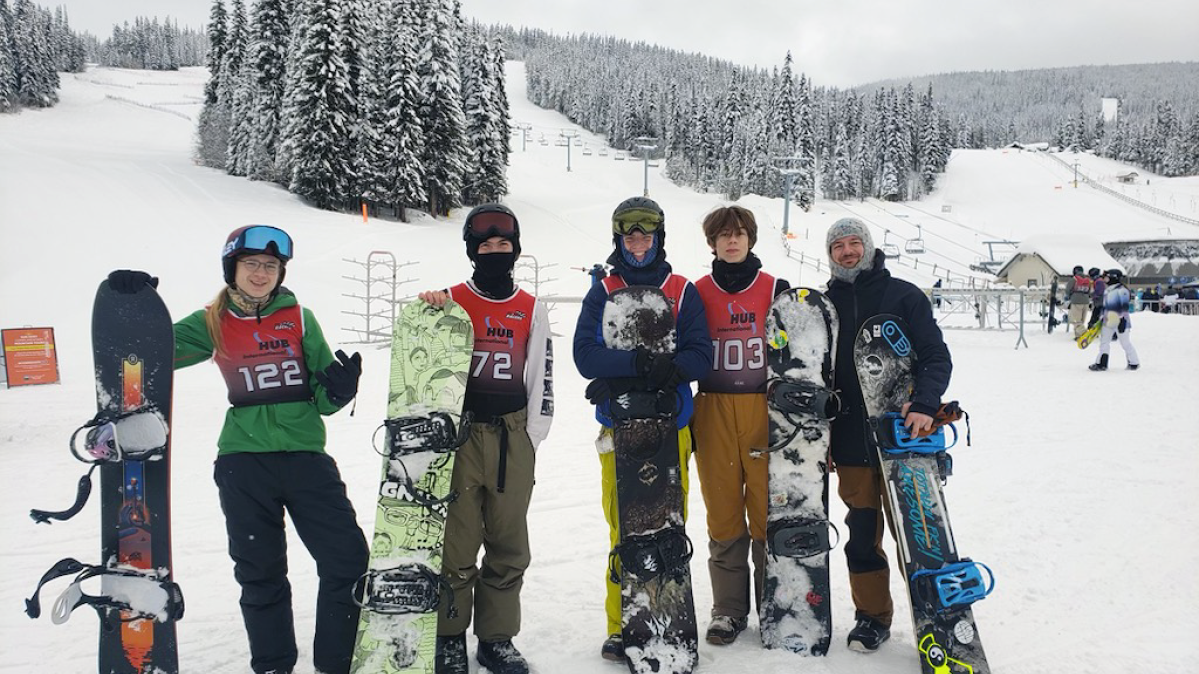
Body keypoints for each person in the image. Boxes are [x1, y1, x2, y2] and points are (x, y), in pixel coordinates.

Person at [108, 225, 369, 674]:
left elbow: (324, 401)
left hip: (306, 458)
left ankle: (336, 663)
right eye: (252, 264)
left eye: (270, 265)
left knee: (347, 560)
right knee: (260, 571)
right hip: (243, 463)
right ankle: (272, 665)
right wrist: (135, 308)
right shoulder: (212, 321)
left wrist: (342, 389)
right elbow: (145, 353)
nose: (261, 273)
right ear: (233, 268)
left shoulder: (301, 319)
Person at [572, 196, 712, 662]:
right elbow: (584, 355)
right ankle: (622, 624)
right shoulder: (605, 289)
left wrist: (667, 372)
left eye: (645, 234)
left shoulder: (681, 289)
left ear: (659, 237)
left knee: (669, 520)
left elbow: (699, 352)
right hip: (619, 426)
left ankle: (669, 615)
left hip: (670, 425)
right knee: (624, 526)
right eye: (629, 235)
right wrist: (633, 364)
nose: (637, 243)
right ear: (619, 238)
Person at [418, 204, 554, 674]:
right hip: (461, 435)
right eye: (485, 245)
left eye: (504, 245)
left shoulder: (531, 309)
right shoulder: (451, 299)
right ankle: (450, 634)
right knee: (456, 544)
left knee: (509, 543)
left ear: (515, 249)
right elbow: (423, 360)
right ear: (472, 251)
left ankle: (496, 638)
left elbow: (541, 378)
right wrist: (430, 310)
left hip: (511, 435)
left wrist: (532, 438)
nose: (495, 252)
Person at [821, 218, 952, 653]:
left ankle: (935, 614)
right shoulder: (824, 307)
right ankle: (872, 617)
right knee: (862, 534)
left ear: (869, 246)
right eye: (838, 245)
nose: (847, 251)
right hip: (850, 444)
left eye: (854, 242)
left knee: (919, 534)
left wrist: (926, 402)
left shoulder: (904, 296)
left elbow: (935, 355)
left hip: (905, 440)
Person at [688, 205, 790, 645]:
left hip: (763, 408)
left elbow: (797, 354)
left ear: (751, 239)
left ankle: (775, 603)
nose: (732, 241)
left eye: (740, 233)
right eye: (724, 235)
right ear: (712, 243)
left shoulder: (775, 289)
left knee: (769, 510)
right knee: (724, 513)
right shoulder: (697, 292)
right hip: (712, 407)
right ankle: (728, 610)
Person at [1088, 269, 1140, 371]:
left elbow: (1124, 307)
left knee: (1125, 342)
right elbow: (1106, 306)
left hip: (1120, 321)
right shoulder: (1108, 290)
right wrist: (1102, 317)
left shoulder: (1122, 290)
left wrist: (1121, 320)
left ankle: (1134, 362)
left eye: (1106, 276)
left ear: (1113, 277)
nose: (1104, 279)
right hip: (1108, 320)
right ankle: (1102, 363)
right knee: (1104, 342)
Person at [1064, 265, 1094, 338]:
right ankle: (1078, 336)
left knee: (1076, 320)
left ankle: (1084, 334)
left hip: (1076, 301)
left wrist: (1069, 296)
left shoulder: (1074, 279)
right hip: (1086, 302)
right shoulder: (1088, 280)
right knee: (1081, 320)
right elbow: (1091, 291)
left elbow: (1067, 290)